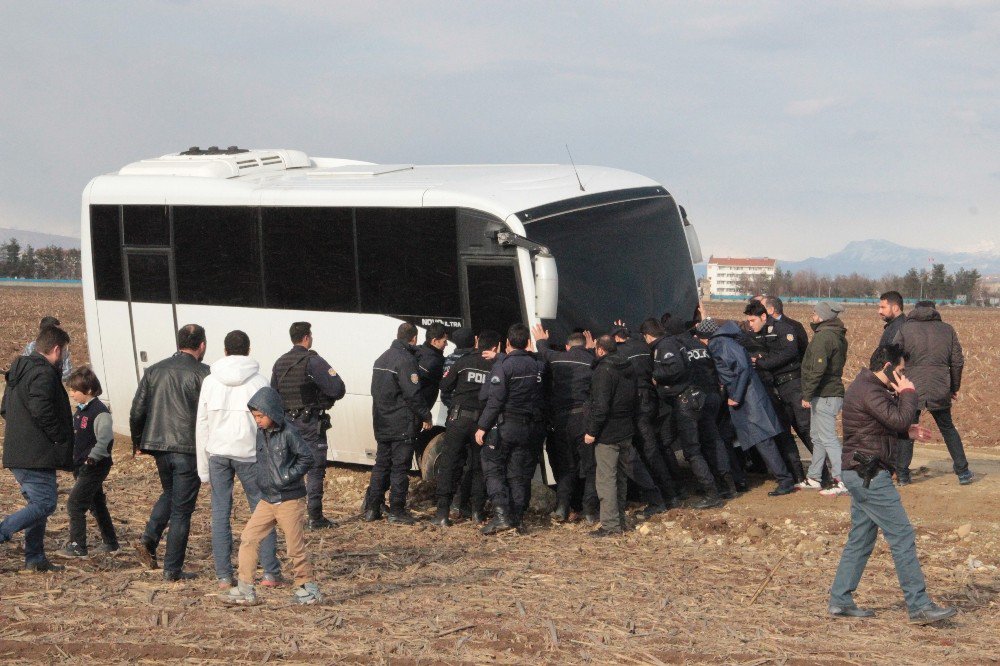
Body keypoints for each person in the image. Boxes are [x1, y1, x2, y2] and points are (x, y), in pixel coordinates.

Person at [829, 344, 957, 625]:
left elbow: (877, 427)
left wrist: (907, 434)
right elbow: (898, 417)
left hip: (861, 471)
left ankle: (840, 599)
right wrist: (909, 394)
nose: (903, 375)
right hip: (870, 475)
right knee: (902, 536)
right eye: (900, 370)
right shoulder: (869, 390)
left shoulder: (868, 388)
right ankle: (919, 605)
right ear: (887, 367)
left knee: (861, 537)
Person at [197, 330, 284, 589]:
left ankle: (224, 576)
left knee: (220, 514)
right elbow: (270, 424)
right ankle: (270, 573)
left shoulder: (210, 382)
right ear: (249, 350)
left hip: (218, 454)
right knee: (263, 512)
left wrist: (203, 468)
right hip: (250, 455)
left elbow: (202, 425)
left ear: (224, 351)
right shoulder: (258, 381)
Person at [222, 387, 322, 606]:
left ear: (272, 412)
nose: (257, 420)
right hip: (267, 499)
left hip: (289, 500)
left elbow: (307, 458)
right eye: (255, 417)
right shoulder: (262, 432)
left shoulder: (289, 432)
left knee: (295, 547)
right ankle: (245, 588)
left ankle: (307, 588)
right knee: (249, 538)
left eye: (260, 416)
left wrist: (286, 476)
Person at [130, 324, 210, 581]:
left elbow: (137, 410)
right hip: (188, 447)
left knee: (171, 494)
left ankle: (149, 540)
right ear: (202, 346)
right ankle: (172, 569)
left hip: (159, 445)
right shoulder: (204, 374)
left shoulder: (154, 370)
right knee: (182, 511)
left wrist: (138, 442)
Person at [0, 325, 74, 572]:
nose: (63, 357)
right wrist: (58, 437)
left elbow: (5, 409)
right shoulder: (43, 373)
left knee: (37, 503)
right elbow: (41, 409)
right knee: (45, 503)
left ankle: (35, 557)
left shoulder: (19, 371)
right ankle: (3, 532)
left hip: (22, 451)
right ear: (56, 349)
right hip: (36, 453)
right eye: (63, 352)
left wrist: (22, 430)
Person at [694, 319, 795, 496]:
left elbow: (741, 368)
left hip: (747, 398)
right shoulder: (726, 340)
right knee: (730, 437)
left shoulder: (719, 343)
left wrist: (735, 396)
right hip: (745, 396)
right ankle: (739, 479)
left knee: (762, 439)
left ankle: (784, 480)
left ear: (706, 336)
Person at [271, 322, 347, 530]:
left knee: (290, 468)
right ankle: (315, 516)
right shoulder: (312, 361)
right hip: (309, 422)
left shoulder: (279, 363)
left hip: (287, 423)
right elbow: (338, 388)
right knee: (314, 468)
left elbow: (274, 394)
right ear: (306, 337)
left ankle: (288, 516)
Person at [475, 323, 546, 535]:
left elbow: (494, 401)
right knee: (518, 474)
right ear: (527, 343)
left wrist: (482, 427)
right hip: (528, 427)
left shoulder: (503, 367)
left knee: (492, 466)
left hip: (506, 426)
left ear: (507, 343)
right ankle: (517, 518)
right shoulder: (537, 366)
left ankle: (501, 516)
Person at [644, 317, 722, 508]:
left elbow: (676, 368)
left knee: (692, 451)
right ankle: (714, 487)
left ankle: (712, 494)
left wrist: (656, 375)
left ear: (647, 335)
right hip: (690, 398)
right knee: (688, 444)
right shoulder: (674, 342)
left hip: (685, 401)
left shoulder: (664, 346)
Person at [893, 301, 973, 485]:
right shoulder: (947, 330)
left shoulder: (905, 329)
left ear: (915, 310)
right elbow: (957, 361)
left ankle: (903, 475)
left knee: (908, 428)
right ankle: (963, 472)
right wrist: (953, 387)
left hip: (911, 388)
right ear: (934, 310)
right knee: (947, 428)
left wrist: (897, 383)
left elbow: (893, 356)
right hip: (940, 387)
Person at [363, 323, 433, 524]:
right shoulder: (406, 361)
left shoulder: (381, 358)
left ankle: (372, 509)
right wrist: (425, 415)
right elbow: (413, 394)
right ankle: (396, 511)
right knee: (399, 468)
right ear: (414, 338)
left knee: (381, 466)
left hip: (382, 421)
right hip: (401, 423)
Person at [433, 329, 501, 526]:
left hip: (458, 419)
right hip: (482, 424)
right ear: (495, 347)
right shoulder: (496, 366)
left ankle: (443, 513)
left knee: (449, 464)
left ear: (478, 342)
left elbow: (445, 385)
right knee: (479, 467)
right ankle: (477, 512)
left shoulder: (462, 362)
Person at [614, 323, 677, 517]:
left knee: (648, 452)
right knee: (655, 449)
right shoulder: (644, 347)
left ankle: (664, 497)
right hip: (653, 401)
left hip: (639, 404)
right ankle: (672, 493)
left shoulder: (620, 353)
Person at [534, 326, 596, 522]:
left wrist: (542, 340)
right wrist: (592, 350)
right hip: (585, 419)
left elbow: (543, 352)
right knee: (590, 467)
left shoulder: (557, 358)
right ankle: (589, 511)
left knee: (565, 466)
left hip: (562, 420)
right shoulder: (592, 361)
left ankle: (562, 508)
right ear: (585, 345)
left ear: (567, 347)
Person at [744, 300, 810, 484]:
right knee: (783, 433)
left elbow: (789, 353)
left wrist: (763, 362)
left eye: (752, 321)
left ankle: (827, 476)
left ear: (763, 316)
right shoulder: (757, 333)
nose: (750, 325)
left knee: (804, 429)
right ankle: (797, 476)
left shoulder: (784, 329)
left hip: (793, 386)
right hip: (776, 388)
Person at [58, 366, 119, 557]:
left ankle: (78, 546)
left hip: (94, 466)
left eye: (75, 390)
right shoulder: (80, 411)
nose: (72, 394)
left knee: (75, 504)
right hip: (82, 465)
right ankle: (111, 542)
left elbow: (105, 439)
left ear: (89, 391)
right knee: (96, 502)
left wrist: (91, 459)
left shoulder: (100, 412)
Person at [584, 336, 637, 536]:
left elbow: (601, 406)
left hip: (608, 433)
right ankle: (619, 520)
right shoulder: (627, 366)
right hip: (626, 429)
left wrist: (591, 431)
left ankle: (610, 525)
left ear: (600, 350)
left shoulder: (603, 371)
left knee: (606, 480)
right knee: (621, 477)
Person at [800, 302, 849, 496]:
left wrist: (807, 394)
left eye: (814, 312)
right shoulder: (836, 335)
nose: (812, 315)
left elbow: (817, 369)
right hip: (827, 393)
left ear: (822, 316)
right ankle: (814, 477)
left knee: (828, 438)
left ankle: (842, 479)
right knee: (817, 437)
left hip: (825, 394)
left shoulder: (824, 337)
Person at [22, 315, 72, 381]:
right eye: (56, 331)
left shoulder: (62, 349)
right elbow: (25, 370)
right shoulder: (31, 347)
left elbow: (68, 372)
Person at [415, 322, 450, 410]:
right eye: (444, 341)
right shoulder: (435, 362)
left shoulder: (418, 351)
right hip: (420, 411)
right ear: (434, 341)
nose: (446, 344)